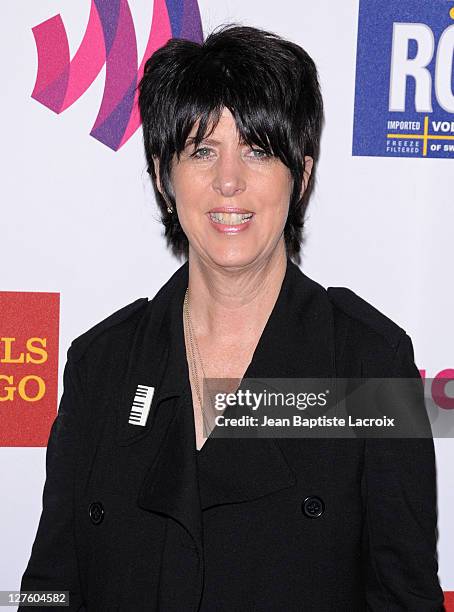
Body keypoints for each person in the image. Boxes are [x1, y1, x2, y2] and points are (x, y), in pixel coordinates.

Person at [19, 23, 444, 611]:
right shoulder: (103, 365)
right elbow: (49, 590)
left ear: (302, 176)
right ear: (165, 179)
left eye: (258, 150)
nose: (228, 181)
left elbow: (405, 599)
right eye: (202, 150)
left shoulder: (367, 364)